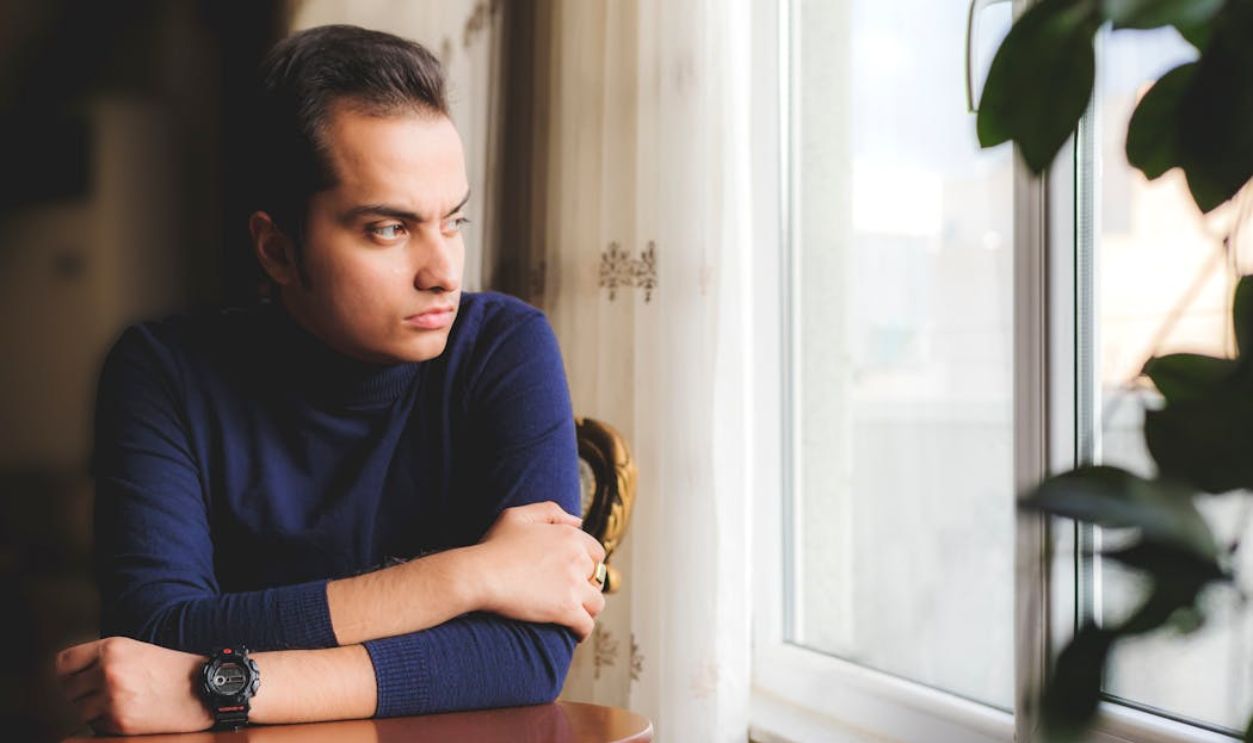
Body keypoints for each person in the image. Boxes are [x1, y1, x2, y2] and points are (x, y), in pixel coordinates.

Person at [53, 24, 606, 736]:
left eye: (453, 220)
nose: (443, 271)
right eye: (388, 228)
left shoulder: (503, 348)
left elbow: (527, 655)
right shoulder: (162, 373)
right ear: (278, 250)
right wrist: (467, 575)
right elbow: (156, 631)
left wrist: (221, 688)